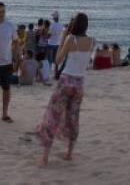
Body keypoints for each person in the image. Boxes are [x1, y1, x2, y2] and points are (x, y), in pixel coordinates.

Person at [36, 12, 94, 166]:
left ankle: (45, 157)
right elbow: (87, 62)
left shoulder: (71, 39)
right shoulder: (92, 41)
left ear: (74, 24)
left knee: (53, 116)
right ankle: (69, 153)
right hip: (80, 83)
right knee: (73, 118)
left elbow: (58, 59)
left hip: (67, 80)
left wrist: (62, 39)